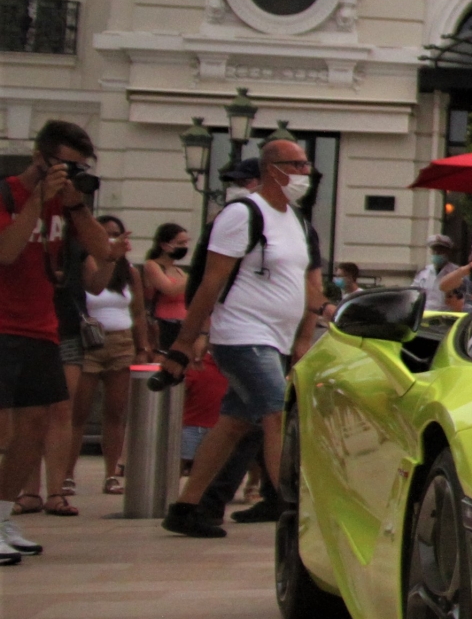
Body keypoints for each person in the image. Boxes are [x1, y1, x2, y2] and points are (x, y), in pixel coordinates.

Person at [159, 136, 326, 539]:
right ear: (274, 169)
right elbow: (209, 282)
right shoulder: (242, 214)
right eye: (299, 165)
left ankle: (186, 506)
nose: (307, 174)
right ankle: (293, 509)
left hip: (276, 338)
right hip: (242, 333)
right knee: (276, 412)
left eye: (307, 166)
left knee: (235, 421)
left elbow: (309, 284)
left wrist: (306, 333)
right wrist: (186, 339)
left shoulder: (299, 221)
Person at [0, 122, 115, 561]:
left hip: (42, 327)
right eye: (65, 165)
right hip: (3, 325)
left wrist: (77, 207)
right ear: (40, 157)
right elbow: (7, 251)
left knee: (34, 428)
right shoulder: (9, 194)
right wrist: (38, 199)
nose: (71, 173)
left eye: (79, 168)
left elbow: (103, 253)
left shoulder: (66, 206)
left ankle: (3, 515)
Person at [67, 215, 139, 503]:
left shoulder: (129, 271)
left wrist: (144, 345)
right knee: (78, 413)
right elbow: (89, 290)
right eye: (105, 233)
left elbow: (139, 311)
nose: (110, 239)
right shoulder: (85, 263)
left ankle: (111, 473)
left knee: (116, 412)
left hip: (122, 340)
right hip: (90, 341)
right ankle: (67, 474)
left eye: (115, 234)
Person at [143, 222, 191, 355]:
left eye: (186, 243)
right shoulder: (152, 265)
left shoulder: (180, 271)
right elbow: (170, 289)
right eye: (180, 243)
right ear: (165, 245)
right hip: (164, 324)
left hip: (183, 324)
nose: (185, 247)